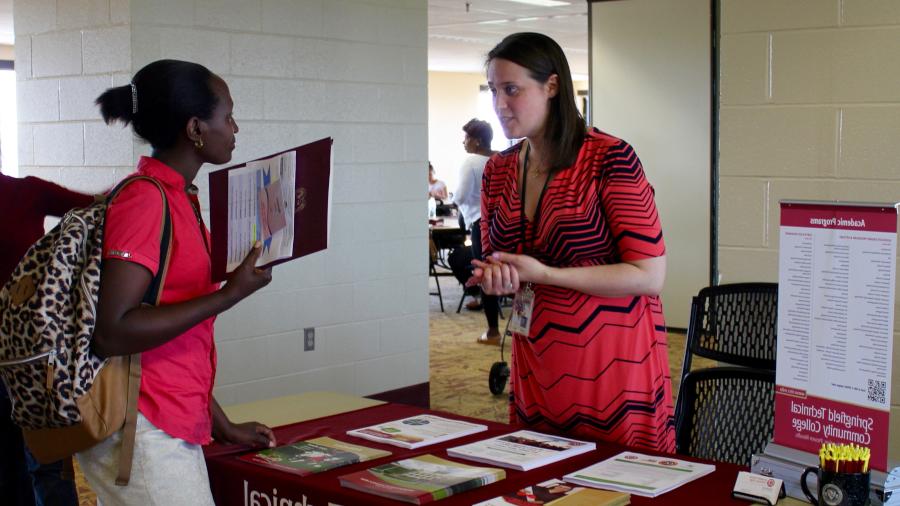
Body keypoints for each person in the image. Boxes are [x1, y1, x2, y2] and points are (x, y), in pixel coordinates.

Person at [77, 59, 276, 505]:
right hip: (142, 423)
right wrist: (227, 296)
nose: (235, 127)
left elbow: (178, 339)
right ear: (195, 128)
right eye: (227, 116)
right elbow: (113, 331)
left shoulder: (179, 197)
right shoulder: (145, 201)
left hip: (171, 413)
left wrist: (220, 423)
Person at [469, 32, 674, 452]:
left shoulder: (609, 157)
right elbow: (499, 260)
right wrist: (498, 278)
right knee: (541, 476)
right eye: (493, 90)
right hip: (536, 352)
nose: (499, 104)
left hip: (611, 357)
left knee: (616, 479)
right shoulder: (499, 171)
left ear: (552, 86)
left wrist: (546, 274)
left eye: (512, 89)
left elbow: (649, 275)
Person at [0, 171, 92, 505]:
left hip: (32, 354)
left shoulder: (26, 191)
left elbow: (94, 208)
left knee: (47, 462)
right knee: (9, 464)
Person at [451, 119, 502, 344]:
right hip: (505, 223)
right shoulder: (502, 158)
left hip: (481, 224)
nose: (464, 142)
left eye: (466, 138)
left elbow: (460, 196)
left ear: (477, 140)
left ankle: (492, 331)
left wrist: (462, 208)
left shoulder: (470, 161)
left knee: (486, 274)